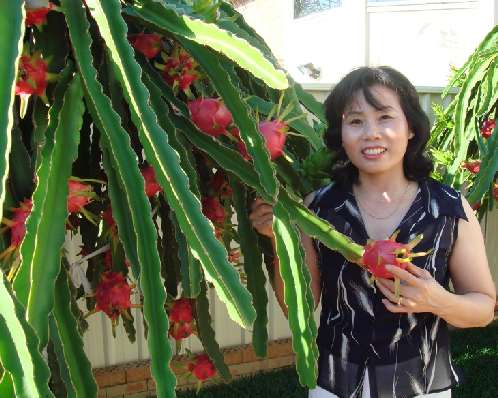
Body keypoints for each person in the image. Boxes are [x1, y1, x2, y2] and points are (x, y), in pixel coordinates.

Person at [249, 66, 496, 398]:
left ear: (410, 128)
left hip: (421, 385)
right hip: (335, 384)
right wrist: (282, 241)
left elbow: (483, 308)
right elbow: (299, 310)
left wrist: (437, 300)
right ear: (341, 134)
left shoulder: (449, 208)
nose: (371, 133)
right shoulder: (317, 209)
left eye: (385, 118)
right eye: (355, 121)